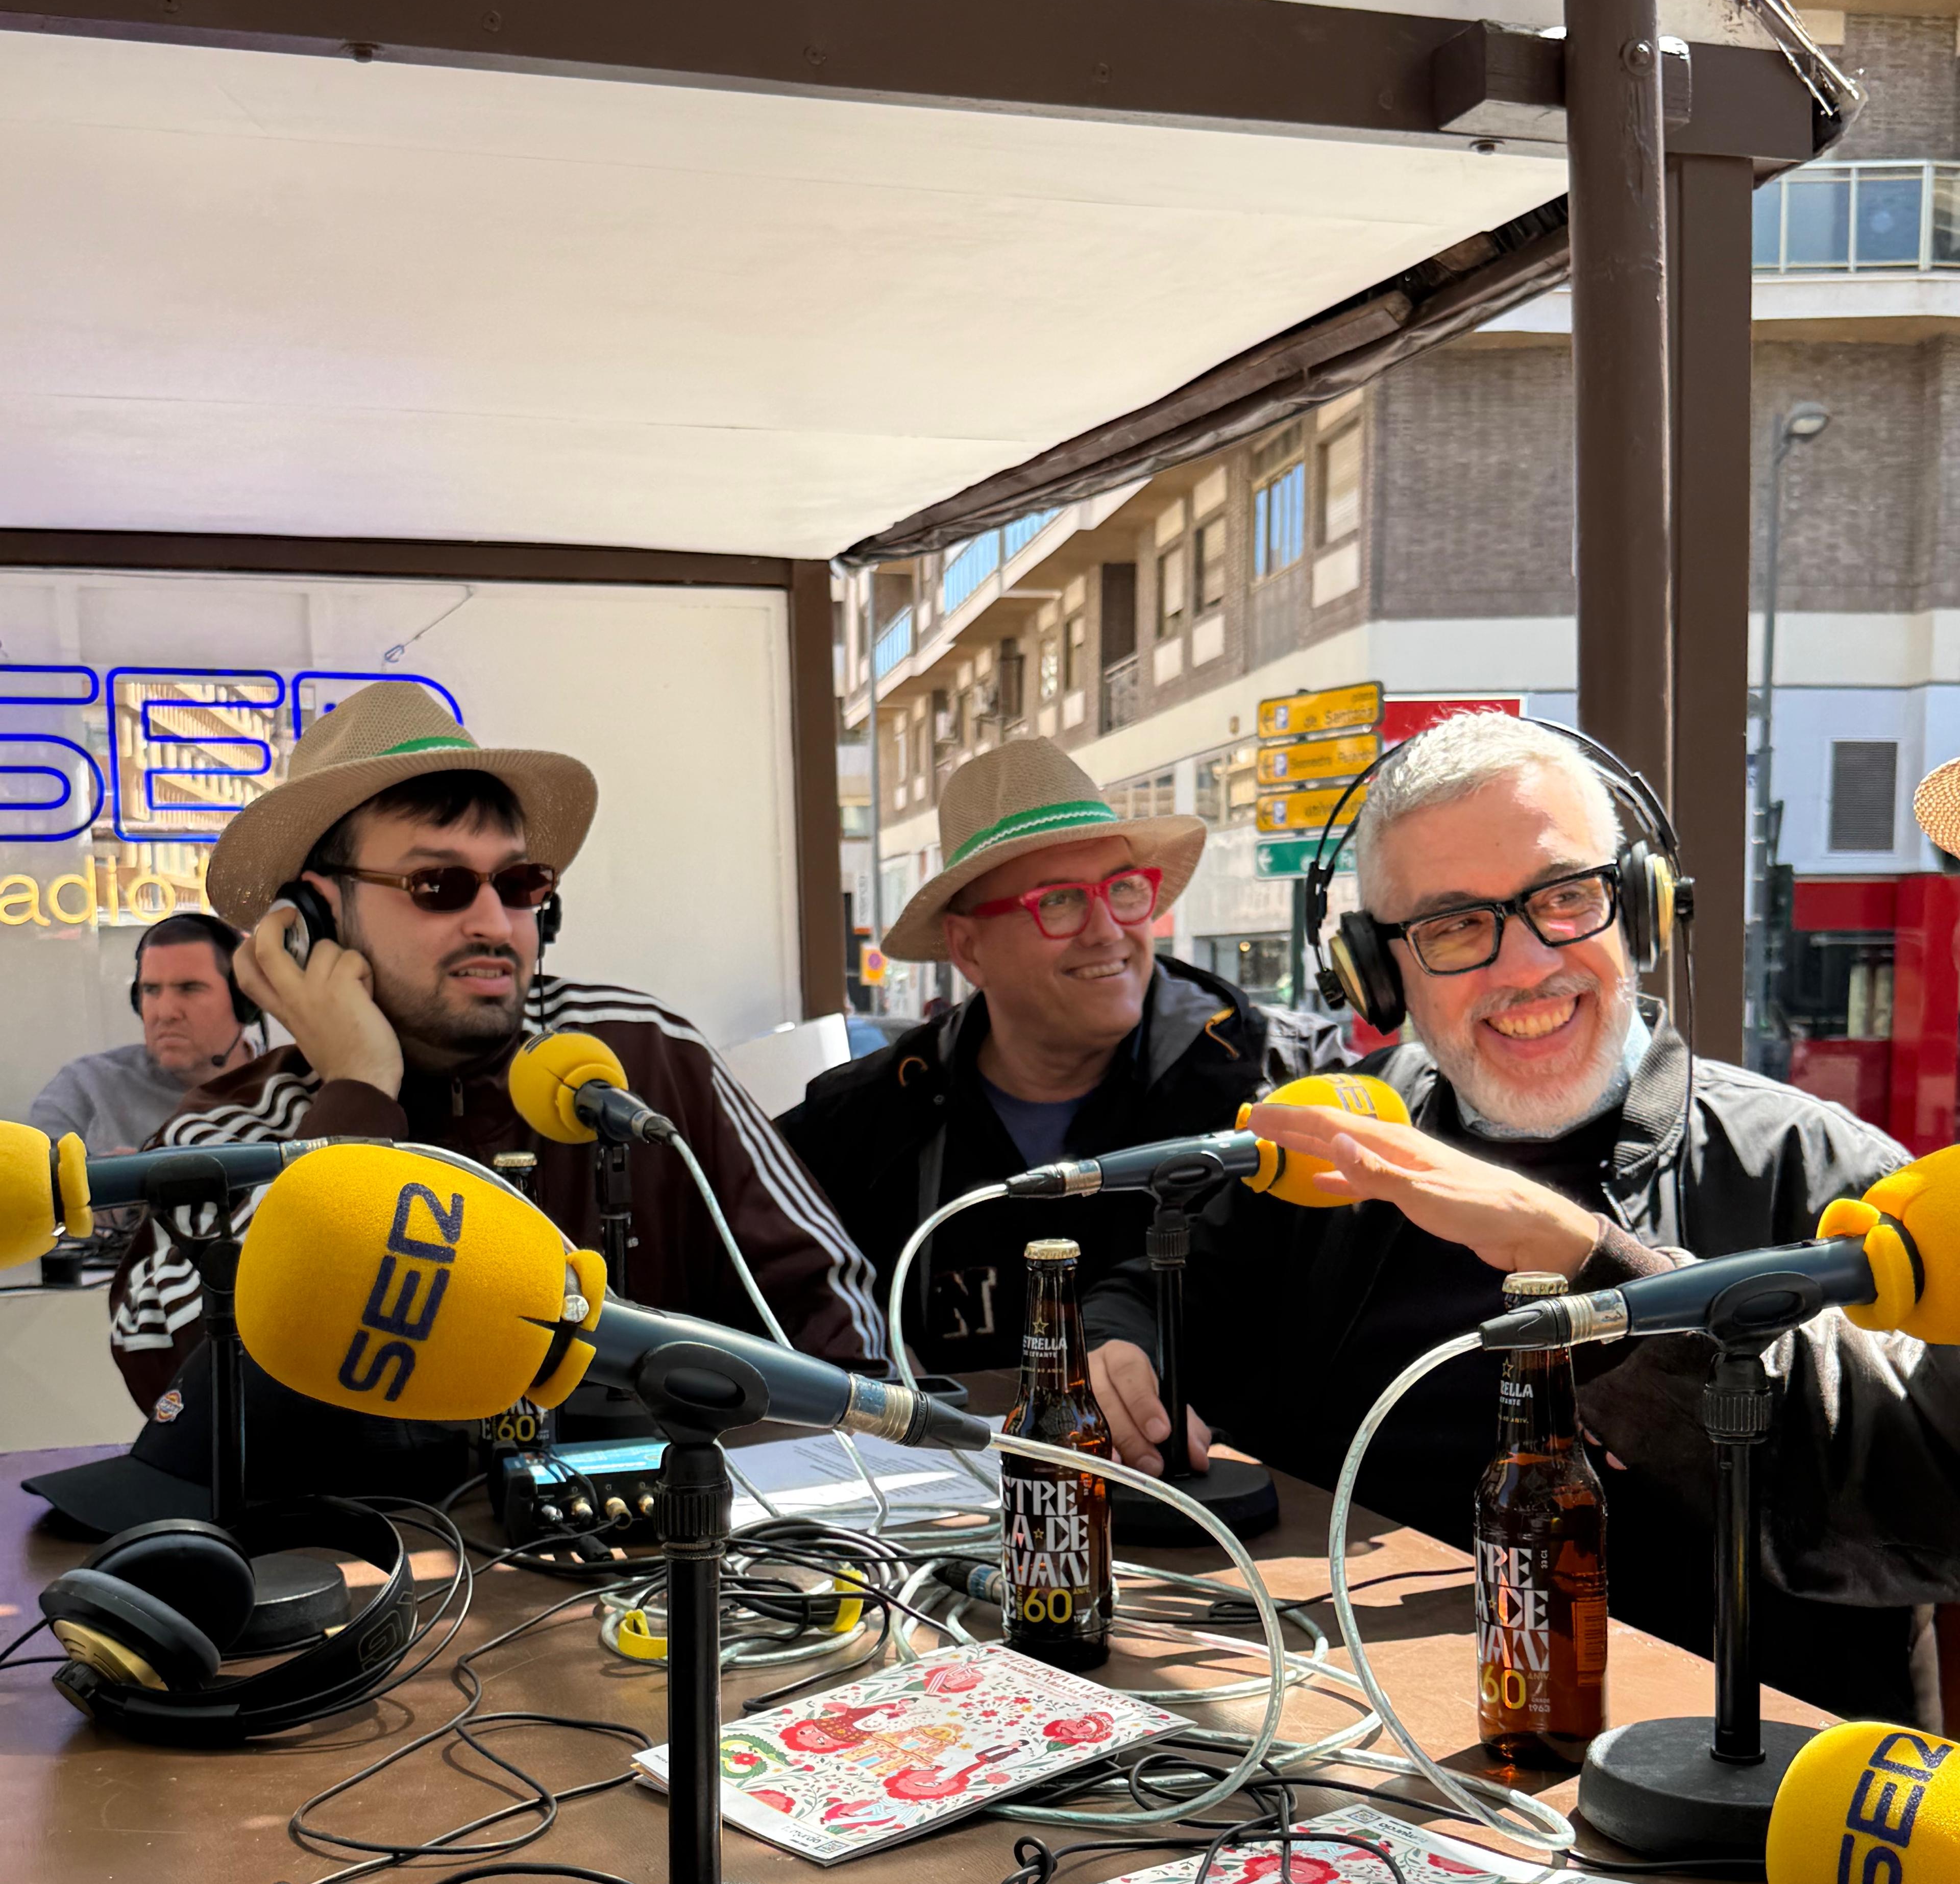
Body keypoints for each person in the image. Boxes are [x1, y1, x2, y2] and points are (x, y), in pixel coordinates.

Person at [1084, 709, 1960, 1719]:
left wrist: (1589, 1265)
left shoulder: (1824, 1175)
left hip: (1694, 1784)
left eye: (1565, 898)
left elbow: (1921, 1512)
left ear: (1638, 906)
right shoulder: (1342, 1143)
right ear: (1381, 973)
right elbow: (1169, 1285)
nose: (1525, 964)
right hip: (1347, 1730)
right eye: (1456, 925)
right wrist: (1121, 1340)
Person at [107, 682, 887, 1460]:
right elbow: (189, 1395)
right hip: (378, 1567)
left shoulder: (639, 1055)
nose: (492, 923)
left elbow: (831, 1311)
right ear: (320, 915)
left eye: (518, 885)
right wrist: (355, 1097)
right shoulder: (230, 1128)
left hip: (657, 1558)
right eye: (436, 886)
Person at [779, 740, 1339, 1375]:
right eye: (1059, 900)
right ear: (968, 949)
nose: (1107, 929)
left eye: (1123, 889)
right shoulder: (859, 1125)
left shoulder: (1282, 1082)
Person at [30, 912, 260, 1153]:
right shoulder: (84, 1089)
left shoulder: (291, 1085)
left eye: (189, 989)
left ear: (245, 1000)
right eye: (151, 990)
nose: (165, 1012)